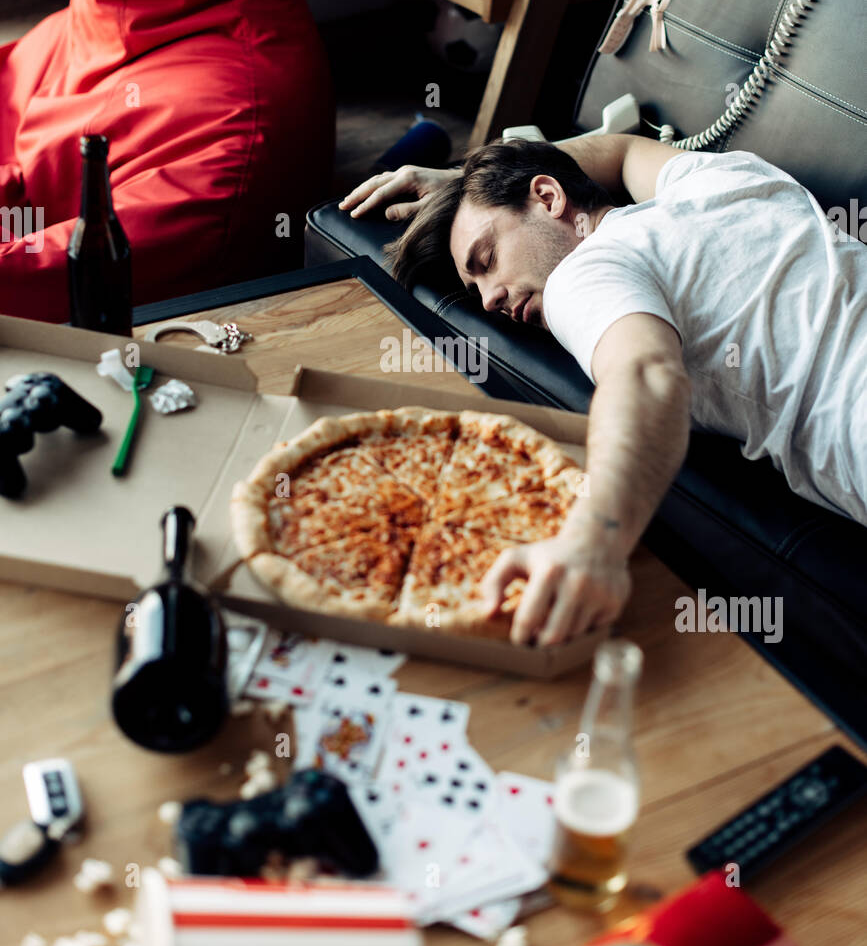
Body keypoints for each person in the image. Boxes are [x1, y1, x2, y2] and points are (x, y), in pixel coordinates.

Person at [339, 132, 867, 645]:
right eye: (474, 286)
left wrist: (595, 541)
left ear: (548, 197)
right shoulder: (722, 178)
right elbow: (622, 148)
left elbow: (644, 372)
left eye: (486, 260)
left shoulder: (584, 270)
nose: (488, 300)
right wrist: (465, 182)